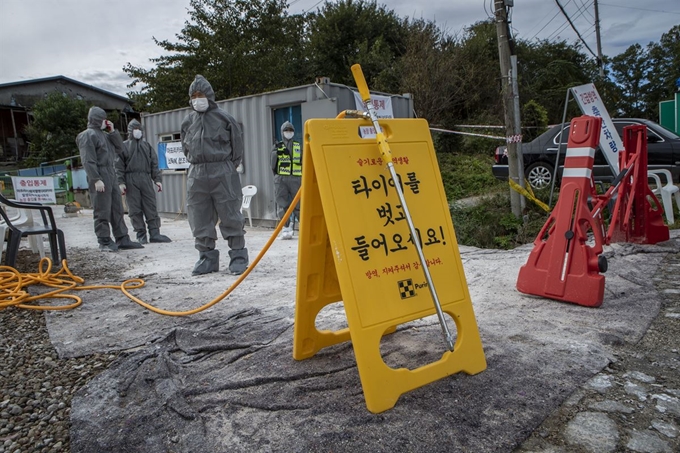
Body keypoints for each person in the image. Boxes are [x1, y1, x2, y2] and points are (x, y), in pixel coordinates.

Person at [180, 75, 248, 276]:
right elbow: (186, 147)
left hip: (223, 171)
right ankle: (206, 258)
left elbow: (237, 147)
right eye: (194, 96)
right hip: (197, 172)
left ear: (209, 95)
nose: (197, 99)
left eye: (201, 94)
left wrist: (227, 166)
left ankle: (238, 257)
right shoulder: (187, 121)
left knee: (230, 213)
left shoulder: (224, 118)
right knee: (198, 215)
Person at [76, 107, 144, 252]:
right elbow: (88, 160)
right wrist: (95, 178)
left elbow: (122, 150)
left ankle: (122, 238)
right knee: (102, 208)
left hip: (110, 172)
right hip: (99, 173)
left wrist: (113, 132)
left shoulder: (105, 136)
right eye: (103, 119)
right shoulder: (87, 135)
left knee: (117, 208)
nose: (105, 121)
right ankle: (104, 240)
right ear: (96, 119)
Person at [118, 119, 172, 244]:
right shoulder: (123, 146)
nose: (137, 131)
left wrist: (157, 180)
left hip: (146, 178)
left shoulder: (147, 146)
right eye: (135, 128)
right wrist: (121, 182)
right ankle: (140, 234)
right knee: (134, 208)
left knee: (150, 206)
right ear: (130, 131)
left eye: (139, 128)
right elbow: (118, 165)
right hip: (130, 179)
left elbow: (154, 163)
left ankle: (155, 233)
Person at [270, 121, 301, 240]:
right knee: (282, 204)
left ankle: (302, 227)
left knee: (299, 204)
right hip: (281, 179)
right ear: (282, 132)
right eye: (286, 130)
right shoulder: (277, 147)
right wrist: (277, 176)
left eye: (291, 130)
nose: (289, 133)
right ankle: (286, 228)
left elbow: (304, 162)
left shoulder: (299, 146)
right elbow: (272, 164)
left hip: (296, 179)